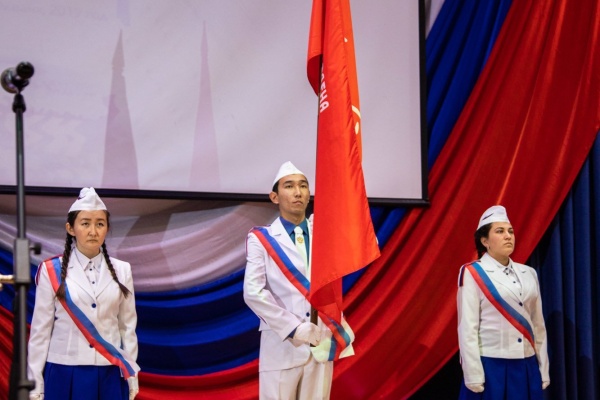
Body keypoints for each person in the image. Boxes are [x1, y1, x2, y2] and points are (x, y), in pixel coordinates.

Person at [243, 161, 353, 400]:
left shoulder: (325, 232)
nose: (297, 192)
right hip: (282, 344)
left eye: (303, 186)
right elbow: (253, 292)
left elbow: (359, 245)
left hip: (320, 343)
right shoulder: (261, 238)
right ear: (274, 197)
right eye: (289, 186)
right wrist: (294, 328)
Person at [27, 187, 140, 400]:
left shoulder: (123, 270)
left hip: (109, 372)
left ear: (107, 228)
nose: (93, 231)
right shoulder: (51, 271)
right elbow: (40, 332)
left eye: (100, 224)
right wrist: (35, 385)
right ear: (70, 228)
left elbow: (127, 328)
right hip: (63, 371)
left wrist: (132, 377)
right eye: (85, 223)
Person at [457, 205, 550, 399]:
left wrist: (543, 367)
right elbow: (467, 328)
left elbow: (538, 325)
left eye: (510, 231)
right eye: (500, 231)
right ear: (485, 241)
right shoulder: (473, 272)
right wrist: (473, 374)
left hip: (526, 364)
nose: (508, 236)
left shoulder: (529, 273)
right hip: (492, 366)